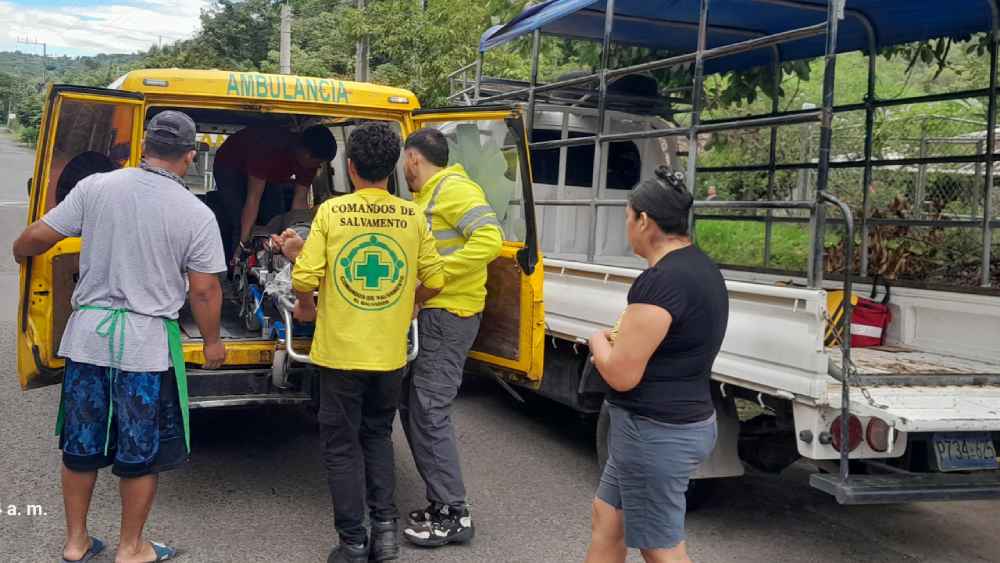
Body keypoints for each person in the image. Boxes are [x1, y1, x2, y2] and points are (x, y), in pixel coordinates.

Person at [13, 110, 228, 563]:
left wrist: (20, 251)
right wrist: (212, 342)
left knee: (81, 444)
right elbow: (205, 289)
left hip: (88, 337)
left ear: (145, 146)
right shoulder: (196, 212)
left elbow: (35, 237)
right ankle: (132, 548)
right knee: (139, 452)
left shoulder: (96, 187)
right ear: (190, 156)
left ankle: (76, 543)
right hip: (145, 346)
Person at [271, 121, 445, 563]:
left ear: (349, 167)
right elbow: (437, 280)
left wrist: (307, 306)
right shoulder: (412, 218)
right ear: (392, 167)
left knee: (341, 446)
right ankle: (385, 538)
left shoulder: (331, 212)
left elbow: (305, 276)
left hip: (340, 354)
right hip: (389, 355)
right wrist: (408, 304)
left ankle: (352, 542)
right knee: (378, 437)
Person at [584, 166, 728, 563]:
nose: (626, 227)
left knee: (660, 548)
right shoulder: (702, 267)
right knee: (608, 518)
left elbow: (620, 374)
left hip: (655, 431)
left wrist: (597, 341)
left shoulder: (661, 282)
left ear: (644, 220)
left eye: (627, 218)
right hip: (675, 423)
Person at [399, 128, 503, 547]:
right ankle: (440, 503)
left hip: (449, 314)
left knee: (429, 408)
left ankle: (455, 513)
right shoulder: (427, 198)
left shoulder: (453, 189)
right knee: (412, 406)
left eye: (404, 162)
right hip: (433, 314)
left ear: (412, 159)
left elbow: (490, 239)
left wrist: (440, 276)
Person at [212, 124, 337, 265]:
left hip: (270, 174)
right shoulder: (268, 148)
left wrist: (298, 237)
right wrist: (242, 244)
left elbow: (299, 202)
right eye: (318, 162)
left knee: (276, 217)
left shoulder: (309, 163)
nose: (318, 167)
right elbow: (253, 199)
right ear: (306, 154)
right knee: (239, 218)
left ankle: (266, 259)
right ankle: (235, 264)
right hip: (230, 165)